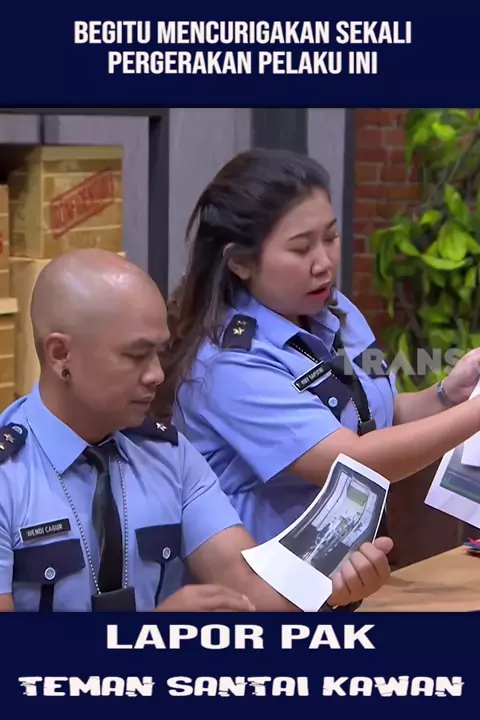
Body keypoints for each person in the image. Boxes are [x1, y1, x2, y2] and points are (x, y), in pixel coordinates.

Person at [0, 248, 392, 612]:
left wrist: (328, 589)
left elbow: (247, 591)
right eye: (136, 355)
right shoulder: (9, 477)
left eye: (158, 352)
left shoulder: (170, 456)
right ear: (60, 354)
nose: (156, 374)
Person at [155, 147, 480, 546]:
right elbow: (352, 463)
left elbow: (377, 413)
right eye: (300, 248)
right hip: (267, 577)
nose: (324, 263)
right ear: (240, 262)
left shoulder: (336, 309)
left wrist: (448, 394)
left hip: (352, 565)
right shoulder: (228, 364)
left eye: (331, 237)